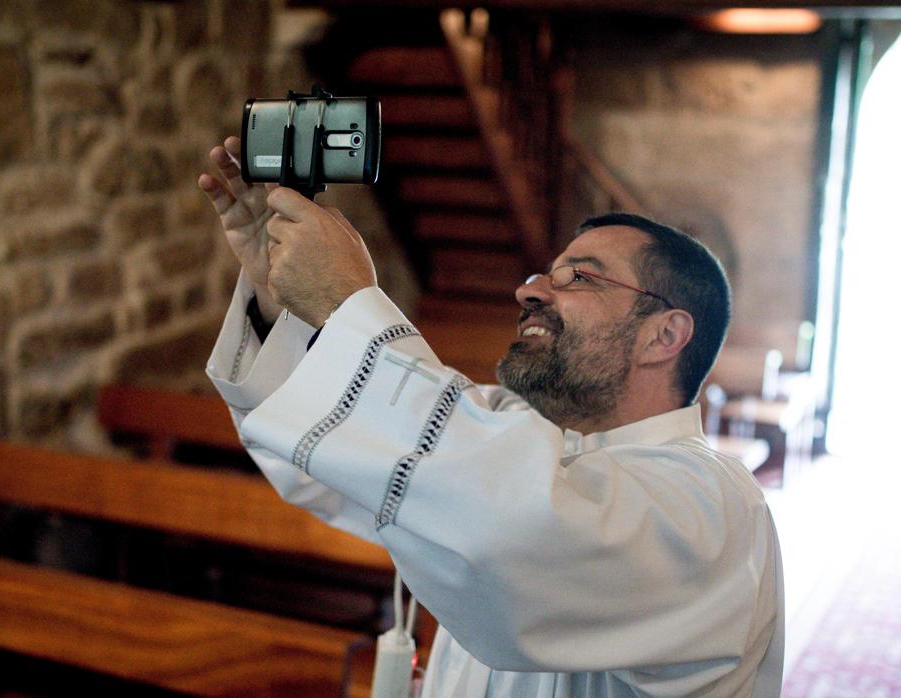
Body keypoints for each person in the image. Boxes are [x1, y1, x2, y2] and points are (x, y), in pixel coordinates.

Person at [198, 136, 784, 698]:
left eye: (578, 277)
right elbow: (330, 470)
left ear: (664, 335)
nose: (529, 291)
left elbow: (515, 528)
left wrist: (348, 302)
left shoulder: (714, 507)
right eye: (543, 274)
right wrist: (282, 294)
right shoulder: (510, 429)